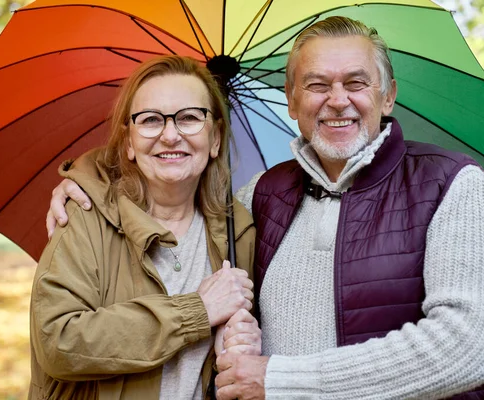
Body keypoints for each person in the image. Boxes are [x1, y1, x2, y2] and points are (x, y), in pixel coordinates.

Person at [46, 17, 484, 399]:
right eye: (316, 84)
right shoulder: (262, 195)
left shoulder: (452, 186)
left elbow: (468, 346)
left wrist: (280, 379)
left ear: (387, 97)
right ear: (292, 101)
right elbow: (166, 177)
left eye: (355, 82)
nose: (336, 99)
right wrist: (85, 178)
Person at [29, 55, 261, 400]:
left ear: (215, 140)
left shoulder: (239, 232)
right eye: (151, 120)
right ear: (129, 143)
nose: (170, 135)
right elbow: (57, 340)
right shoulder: (86, 216)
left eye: (189, 118)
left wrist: (237, 345)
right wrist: (196, 312)